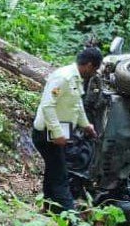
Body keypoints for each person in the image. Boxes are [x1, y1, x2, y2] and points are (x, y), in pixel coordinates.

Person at [31, 47, 102, 213]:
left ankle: (49, 209)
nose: (95, 73)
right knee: (61, 176)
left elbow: (77, 104)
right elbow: (47, 105)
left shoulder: (76, 79)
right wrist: (57, 133)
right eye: (95, 69)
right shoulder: (63, 77)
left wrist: (86, 125)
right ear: (90, 65)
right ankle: (70, 219)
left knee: (53, 171)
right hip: (46, 134)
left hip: (59, 132)